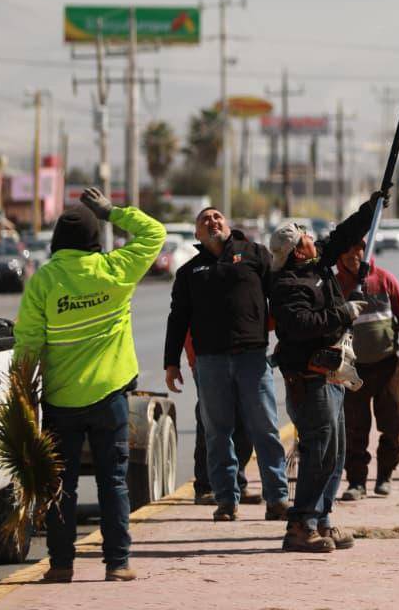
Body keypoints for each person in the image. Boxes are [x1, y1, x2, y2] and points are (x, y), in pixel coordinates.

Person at [14, 188, 165, 583]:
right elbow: (154, 234)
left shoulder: (44, 281)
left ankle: (61, 564)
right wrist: (112, 211)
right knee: (112, 481)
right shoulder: (115, 270)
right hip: (110, 397)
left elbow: (28, 343)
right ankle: (117, 563)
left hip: (61, 402)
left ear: (56, 243)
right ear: (94, 240)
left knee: (59, 484)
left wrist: (21, 397)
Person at [269, 190, 385, 554]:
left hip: (331, 374)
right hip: (309, 379)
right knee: (319, 450)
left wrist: (372, 208)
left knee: (335, 452)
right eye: (305, 237)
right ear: (297, 251)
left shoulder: (317, 265)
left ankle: (321, 520)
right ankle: (300, 525)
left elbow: (342, 236)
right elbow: (301, 324)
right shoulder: (288, 285)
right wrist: (343, 313)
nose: (312, 238)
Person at [163, 207, 288, 522]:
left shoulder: (254, 255)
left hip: (253, 358)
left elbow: (280, 296)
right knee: (217, 433)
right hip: (210, 362)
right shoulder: (189, 272)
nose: (212, 221)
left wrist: (289, 337)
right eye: (204, 219)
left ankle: (277, 498)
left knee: (265, 429)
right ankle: (226, 500)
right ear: (197, 234)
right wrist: (171, 363)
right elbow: (177, 319)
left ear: (227, 225)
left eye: (217, 216)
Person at [334, 239, 399, 501]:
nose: (351, 255)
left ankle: (385, 476)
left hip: (387, 365)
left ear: (365, 250)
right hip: (352, 369)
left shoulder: (384, 279)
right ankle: (356, 482)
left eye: (357, 249)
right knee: (355, 428)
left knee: (394, 422)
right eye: (345, 251)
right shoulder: (336, 286)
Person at [183, 330, 260, 506]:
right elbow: (181, 315)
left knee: (243, 418)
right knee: (210, 423)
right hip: (206, 355)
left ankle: (237, 482)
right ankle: (206, 486)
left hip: (242, 352)